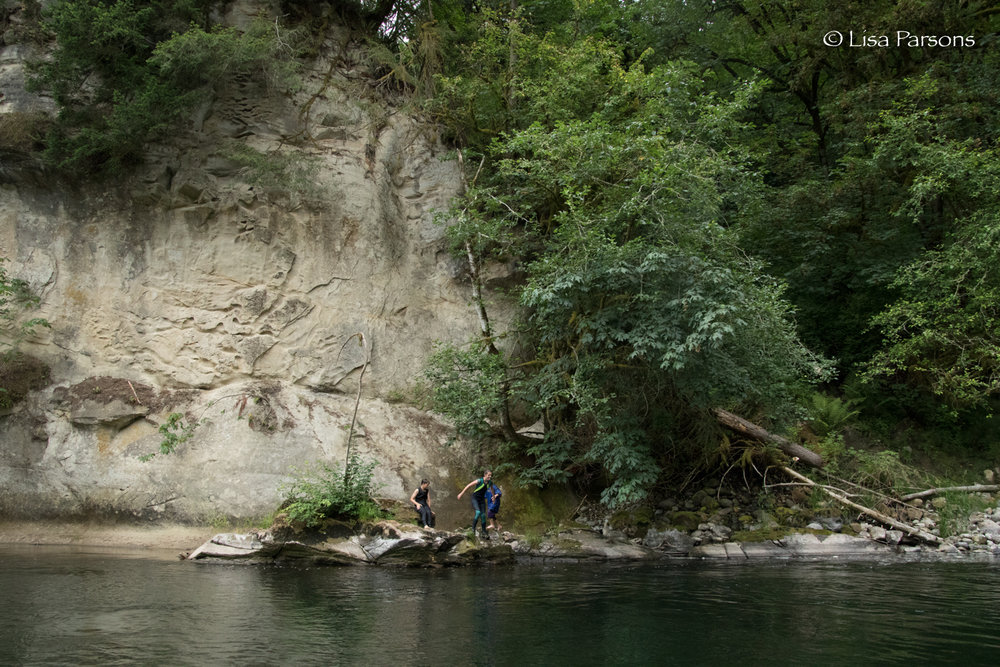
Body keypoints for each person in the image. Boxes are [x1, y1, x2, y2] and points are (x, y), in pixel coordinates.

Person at [457, 470, 492, 539]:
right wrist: (461, 493)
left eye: (491, 475)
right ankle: (473, 529)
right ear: (485, 475)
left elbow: (492, 489)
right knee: (478, 512)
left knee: (483, 515)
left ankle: (484, 532)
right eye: (489, 475)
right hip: (475, 498)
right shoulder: (479, 481)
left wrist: (493, 496)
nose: (490, 477)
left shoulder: (489, 482)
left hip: (482, 500)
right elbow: (468, 485)